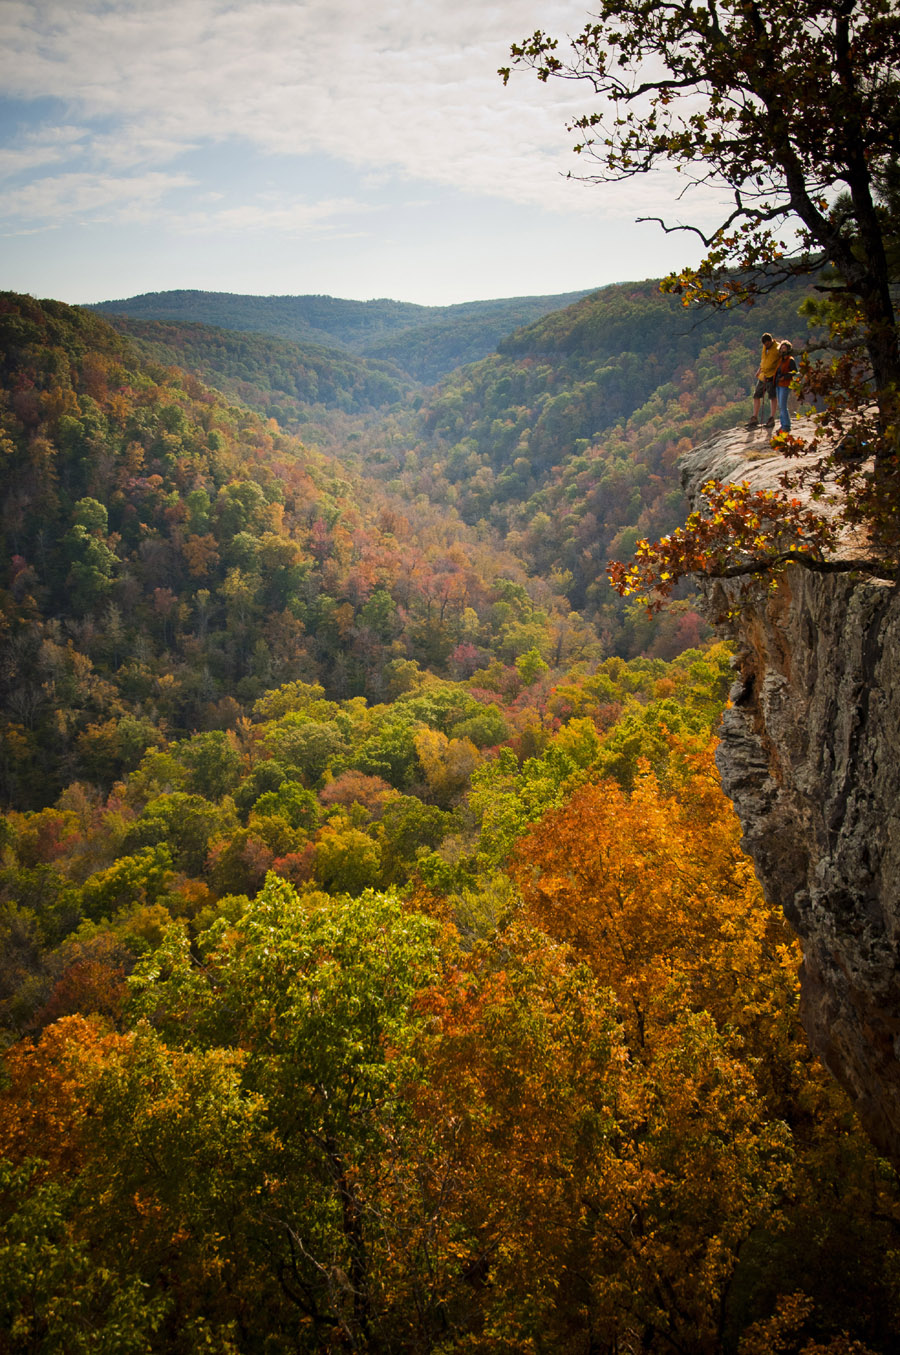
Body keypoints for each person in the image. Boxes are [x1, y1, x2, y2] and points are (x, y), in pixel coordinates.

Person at [746, 333, 779, 428]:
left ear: (770, 341)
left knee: (772, 397)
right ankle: (754, 417)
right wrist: (759, 371)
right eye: (764, 344)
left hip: (771, 376)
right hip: (762, 375)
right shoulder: (765, 347)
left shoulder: (777, 349)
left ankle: (772, 418)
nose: (765, 346)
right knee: (756, 396)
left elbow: (780, 362)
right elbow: (763, 360)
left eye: (767, 344)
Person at [774, 340, 798, 432]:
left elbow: (794, 372)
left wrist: (785, 377)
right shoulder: (780, 360)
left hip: (786, 384)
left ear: (788, 349)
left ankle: (786, 426)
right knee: (780, 405)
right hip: (779, 384)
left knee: (783, 405)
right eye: (781, 348)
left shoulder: (790, 360)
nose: (782, 350)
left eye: (784, 348)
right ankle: (783, 424)